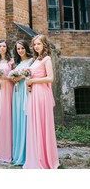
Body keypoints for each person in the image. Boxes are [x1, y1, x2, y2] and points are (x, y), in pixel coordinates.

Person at [24, 35, 59, 169]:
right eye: (34, 44)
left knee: (42, 123)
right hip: (33, 94)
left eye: (39, 44)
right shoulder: (35, 60)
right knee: (34, 123)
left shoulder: (47, 59)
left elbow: (50, 78)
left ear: (44, 45)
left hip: (42, 94)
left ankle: (45, 157)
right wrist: (29, 84)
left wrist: (33, 81)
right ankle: (36, 155)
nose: (36, 46)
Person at [0, 39, 14, 162]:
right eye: (0, 46)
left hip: (6, 89)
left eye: (4, 46)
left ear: (7, 48)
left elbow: (14, 77)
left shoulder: (11, 62)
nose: (2, 48)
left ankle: (7, 150)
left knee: (6, 117)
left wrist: (3, 77)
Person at [10, 40, 32, 166]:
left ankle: (27, 153)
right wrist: (14, 78)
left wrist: (21, 77)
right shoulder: (16, 63)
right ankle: (18, 153)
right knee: (18, 120)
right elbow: (14, 78)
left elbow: (30, 74)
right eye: (18, 49)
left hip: (25, 92)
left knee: (25, 119)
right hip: (17, 92)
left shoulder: (31, 61)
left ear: (26, 48)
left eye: (22, 48)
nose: (20, 50)